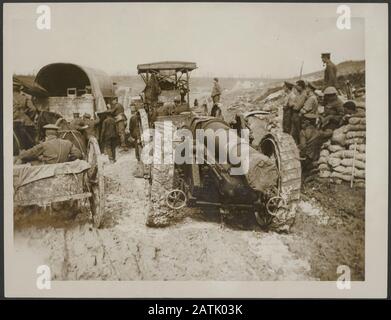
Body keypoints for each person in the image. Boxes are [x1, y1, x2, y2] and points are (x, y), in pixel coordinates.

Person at [16, 124, 82, 165]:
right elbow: (78, 155)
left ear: (46, 134)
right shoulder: (67, 142)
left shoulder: (44, 145)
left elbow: (25, 155)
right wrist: (67, 160)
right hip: (64, 168)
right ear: (57, 134)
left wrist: (22, 153)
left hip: (49, 171)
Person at [299, 113, 331, 178]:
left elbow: (303, 146)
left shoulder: (303, 132)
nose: (302, 124)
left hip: (307, 158)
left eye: (303, 122)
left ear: (307, 122)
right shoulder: (319, 132)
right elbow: (329, 133)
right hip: (316, 157)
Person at [291, 80, 308, 144]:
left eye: (297, 86)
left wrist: (293, 104)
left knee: (298, 131)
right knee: (294, 131)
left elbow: (297, 107)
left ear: (300, 86)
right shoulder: (299, 93)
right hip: (295, 114)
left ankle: (300, 145)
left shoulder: (303, 95)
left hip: (298, 114)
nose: (296, 87)